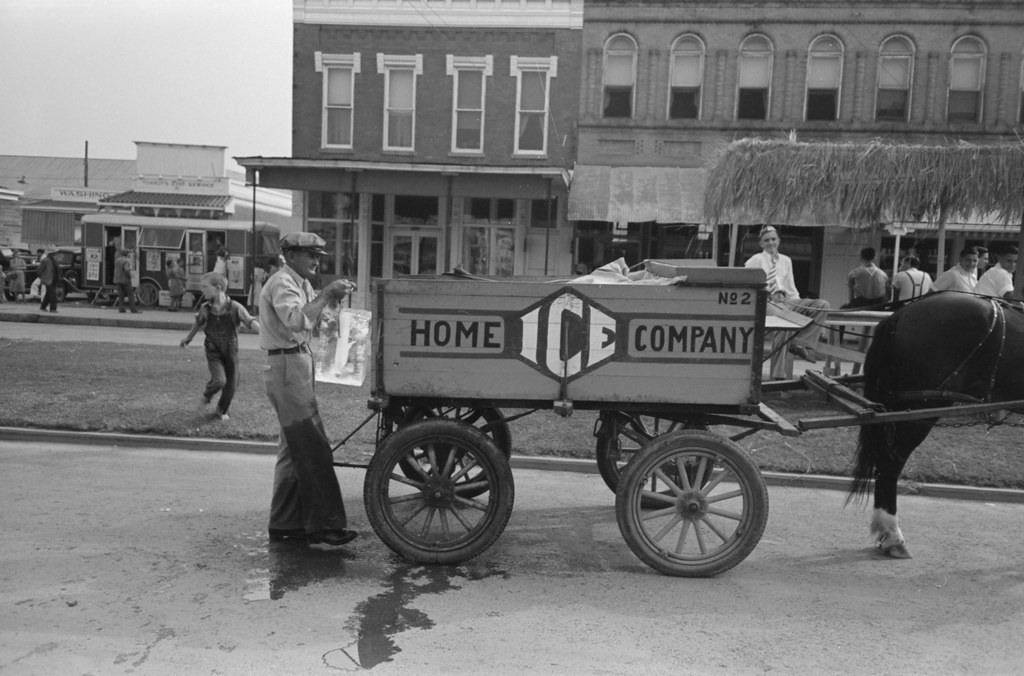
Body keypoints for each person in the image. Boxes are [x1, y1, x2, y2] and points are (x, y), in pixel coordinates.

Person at [260, 232, 357, 547]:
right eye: (309, 254)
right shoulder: (282, 283)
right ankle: (323, 526)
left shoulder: (300, 283)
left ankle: (286, 524)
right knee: (313, 449)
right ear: (289, 254)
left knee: (293, 450)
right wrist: (327, 291)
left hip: (296, 364)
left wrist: (331, 298)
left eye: (318, 255)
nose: (316, 260)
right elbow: (298, 320)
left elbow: (316, 320)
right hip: (287, 365)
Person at [179, 272, 259, 421]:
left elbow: (249, 321)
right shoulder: (206, 308)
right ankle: (206, 396)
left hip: (231, 351)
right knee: (219, 380)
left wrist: (263, 332)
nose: (202, 290)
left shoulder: (235, 307)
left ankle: (221, 410)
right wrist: (188, 338)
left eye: (205, 287)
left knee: (232, 385)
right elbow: (198, 323)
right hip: (213, 351)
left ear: (218, 288)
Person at [744, 225, 831, 363]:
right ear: (761, 243)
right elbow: (748, 285)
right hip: (767, 302)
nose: (771, 243)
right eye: (766, 240)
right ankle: (784, 365)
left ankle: (799, 343)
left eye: (773, 239)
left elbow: (791, 288)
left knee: (822, 305)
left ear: (779, 240)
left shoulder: (786, 260)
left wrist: (799, 305)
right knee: (788, 318)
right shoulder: (755, 260)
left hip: (786, 301)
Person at [114, 248, 142, 314]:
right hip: (125, 280)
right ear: (127, 254)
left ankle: (121, 309)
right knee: (130, 295)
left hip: (118, 279)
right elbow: (126, 270)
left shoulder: (117, 260)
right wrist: (129, 275)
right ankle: (133, 309)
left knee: (121, 295)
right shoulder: (126, 261)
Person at [36, 249, 61, 313]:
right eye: (54, 252)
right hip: (48, 279)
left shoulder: (55, 260)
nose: (55, 253)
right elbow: (39, 270)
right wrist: (42, 277)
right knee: (53, 294)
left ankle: (43, 306)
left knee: (48, 294)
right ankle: (53, 308)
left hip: (54, 279)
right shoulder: (45, 260)